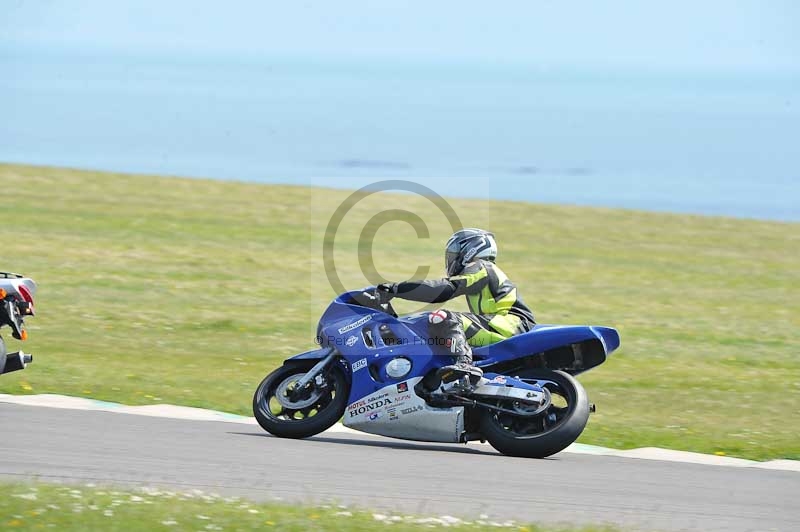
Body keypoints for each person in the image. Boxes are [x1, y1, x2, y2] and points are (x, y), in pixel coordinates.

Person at [377, 228, 536, 387]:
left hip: (511, 324)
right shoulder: (486, 270)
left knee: (442, 318)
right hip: (504, 325)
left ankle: (465, 365)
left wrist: (396, 289)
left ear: (470, 250)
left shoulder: (481, 266)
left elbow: (447, 288)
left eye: (454, 253)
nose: (451, 259)